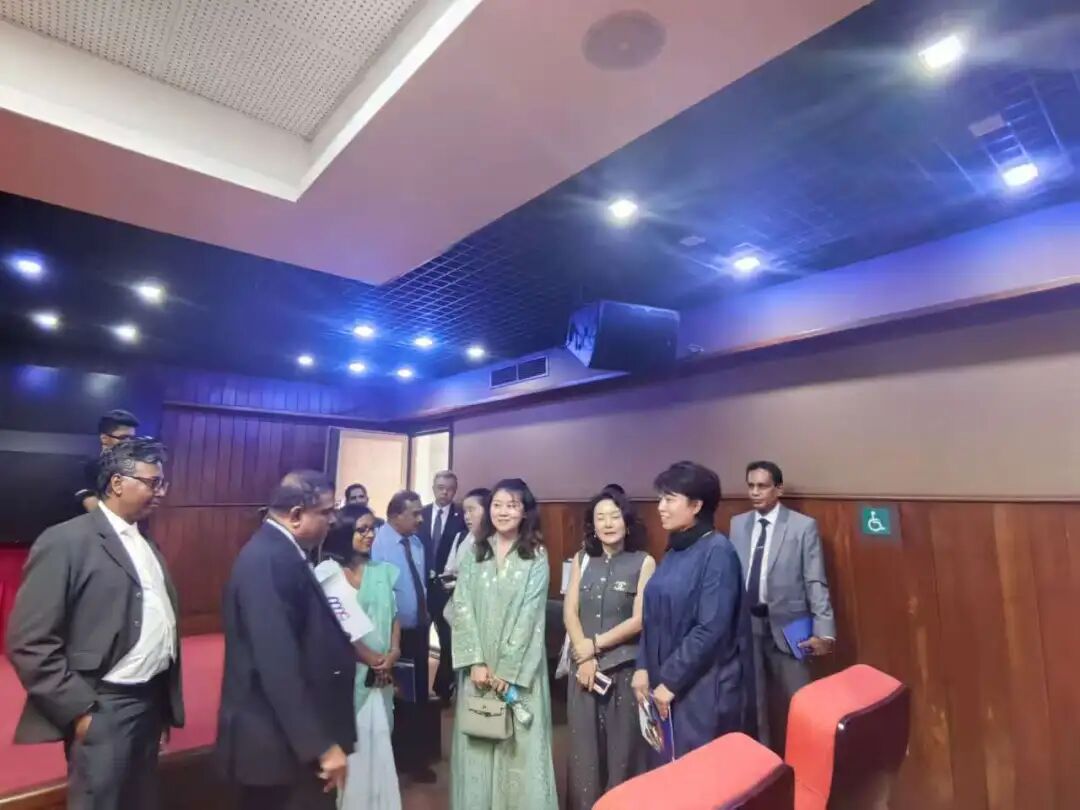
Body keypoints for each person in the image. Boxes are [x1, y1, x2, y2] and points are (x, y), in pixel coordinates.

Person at [7, 438, 183, 810]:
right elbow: (29, 641)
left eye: (162, 483)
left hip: (149, 701)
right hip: (104, 706)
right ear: (117, 483)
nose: (161, 492)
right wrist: (79, 709)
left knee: (139, 800)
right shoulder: (66, 541)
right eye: (153, 482)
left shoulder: (146, 543)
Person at [216, 470, 356, 810]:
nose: (333, 520)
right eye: (326, 512)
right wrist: (319, 745)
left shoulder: (282, 551)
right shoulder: (267, 559)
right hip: (275, 744)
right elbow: (277, 662)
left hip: (286, 741)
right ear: (295, 515)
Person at [632, 461, 752, 764]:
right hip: (664, 684)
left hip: (701, 689)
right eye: (660, 499)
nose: (660, 507)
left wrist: (671, 681)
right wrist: (642, 666)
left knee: (699, 774)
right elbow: (653, 616)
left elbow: (711, 628)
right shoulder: (676, 548)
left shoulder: (718, 551)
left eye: (669, 499)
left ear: (696, 505)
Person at [450, 478, 558, 810]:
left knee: (519, 751)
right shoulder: (475, 552)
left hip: (519, 674)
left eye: (512, 505)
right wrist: (475, 661)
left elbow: (530, 618)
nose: (503, 512)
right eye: (497, 505)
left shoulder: (536, 556)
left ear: (525, 512)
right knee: (478, 744)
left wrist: (508, 672)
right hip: (478, 671)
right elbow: (461, 606)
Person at [730, 461, 835, 755]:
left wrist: (825, 631)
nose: (755, 492)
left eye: (762, 486)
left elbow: (815, 580)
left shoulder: (802, 526)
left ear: (778, 489)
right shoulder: (739, 524)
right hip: (749, 624)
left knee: (802, 701)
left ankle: (812, 763)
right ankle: (764, 765)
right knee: (755, 705)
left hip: (790, 626)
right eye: (751, 486)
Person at [564, 490, 656, 809]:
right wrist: (583, 654)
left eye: (614, 516)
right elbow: (570, 610)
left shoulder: (643, 562)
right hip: (584, 673)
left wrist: (594, 646)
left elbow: (640, 620)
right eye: (600, 518)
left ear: (627, 522)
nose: (607, 523)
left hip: (623, 671)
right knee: (584, 757)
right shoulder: (581, 559)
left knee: (623, 755)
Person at [371, 490, 440, 783]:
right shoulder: (378, 544)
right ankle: (399, 759)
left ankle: (416, 757)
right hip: (394, 635)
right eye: (414, 513)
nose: (420, 519)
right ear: (396, 515)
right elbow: (379, 594)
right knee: (400, 697)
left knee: (419, 695)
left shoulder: (416, 542)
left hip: (419, 631)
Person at [339, 507, 403, 810]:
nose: (369, 535)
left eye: (372, 528)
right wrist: (371, 659)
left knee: (380, 743)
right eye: (361, 529)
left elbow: (394, 616)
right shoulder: (329, 574)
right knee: (355, 747)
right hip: (349, 675)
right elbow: (335, 626)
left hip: (382, 673)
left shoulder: (382, 571)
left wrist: (394, 652)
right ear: (344, 532)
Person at [420, 471, 466, 702]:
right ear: (433, 488)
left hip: (447, 588)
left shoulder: (462, 517)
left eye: (449, 489)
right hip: (421, 586)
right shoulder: (421, 514)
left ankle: (443, 689)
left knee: (448, 641)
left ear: (455, 491)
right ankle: (417, 688)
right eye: (440, 487)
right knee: (417, 639)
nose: (444, 492)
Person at [75, 409, 139, 513]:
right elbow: (93, 507)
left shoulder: (133, 467)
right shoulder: (87, 468)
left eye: (132, 438)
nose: (129, 443)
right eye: (123, 438)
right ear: (104, 438)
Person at [440, 487, 490, 590]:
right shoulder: (461, 538)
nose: (467, 516)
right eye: (465, 512)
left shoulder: (499, 541)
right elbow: (449, 570)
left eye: (471, 510)